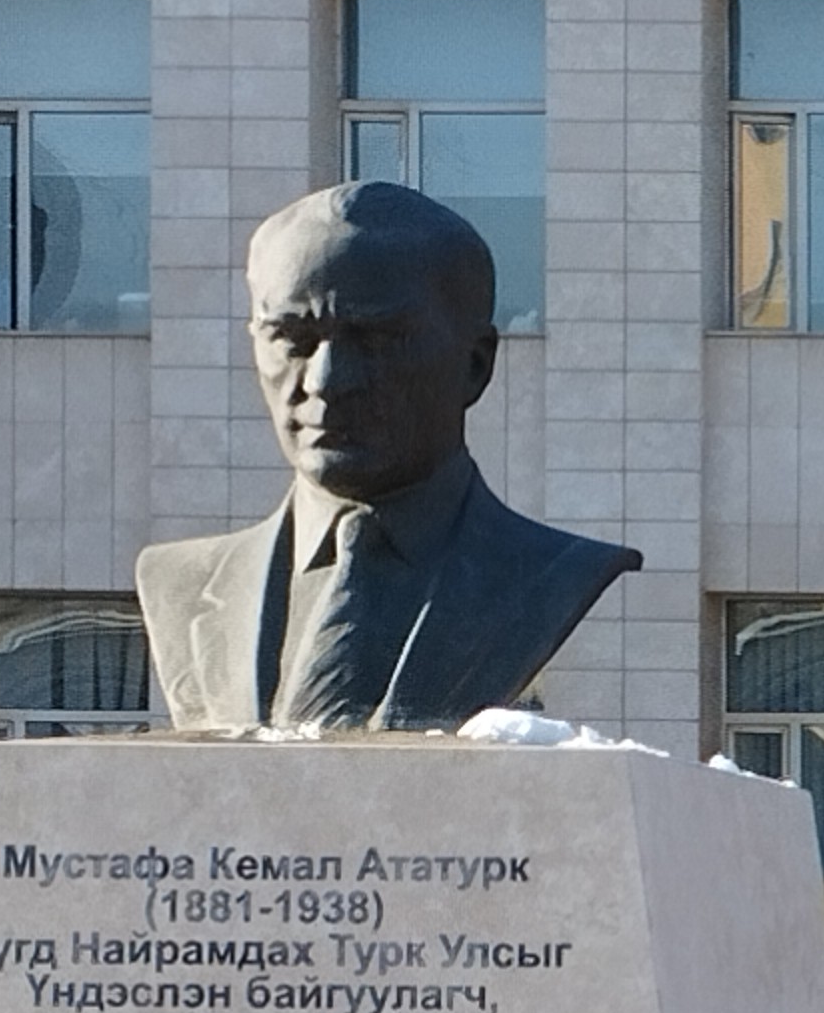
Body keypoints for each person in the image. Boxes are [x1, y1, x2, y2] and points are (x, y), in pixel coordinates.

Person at [129, 181, 635, 736]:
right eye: (292, 339)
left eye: (376, 341)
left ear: (475, 365)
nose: (325, 381)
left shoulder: (549, 577)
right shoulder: (179, 581)